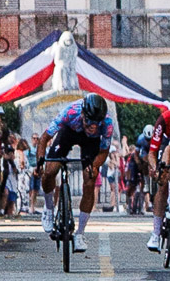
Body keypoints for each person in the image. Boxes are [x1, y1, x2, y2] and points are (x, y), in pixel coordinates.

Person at [35, 93, 113, 253]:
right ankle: (49, 209)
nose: (93, 126)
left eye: (96, 124)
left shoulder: (106, 123)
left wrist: (94, 166)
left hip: (92, 142)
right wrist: (40, 162)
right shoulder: (70, 112)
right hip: (68, 133)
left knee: (90, 179)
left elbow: (104, 151)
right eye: (90, 121)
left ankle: (80, 234)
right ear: (83, 114)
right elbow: (44, 138)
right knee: (50, 171)